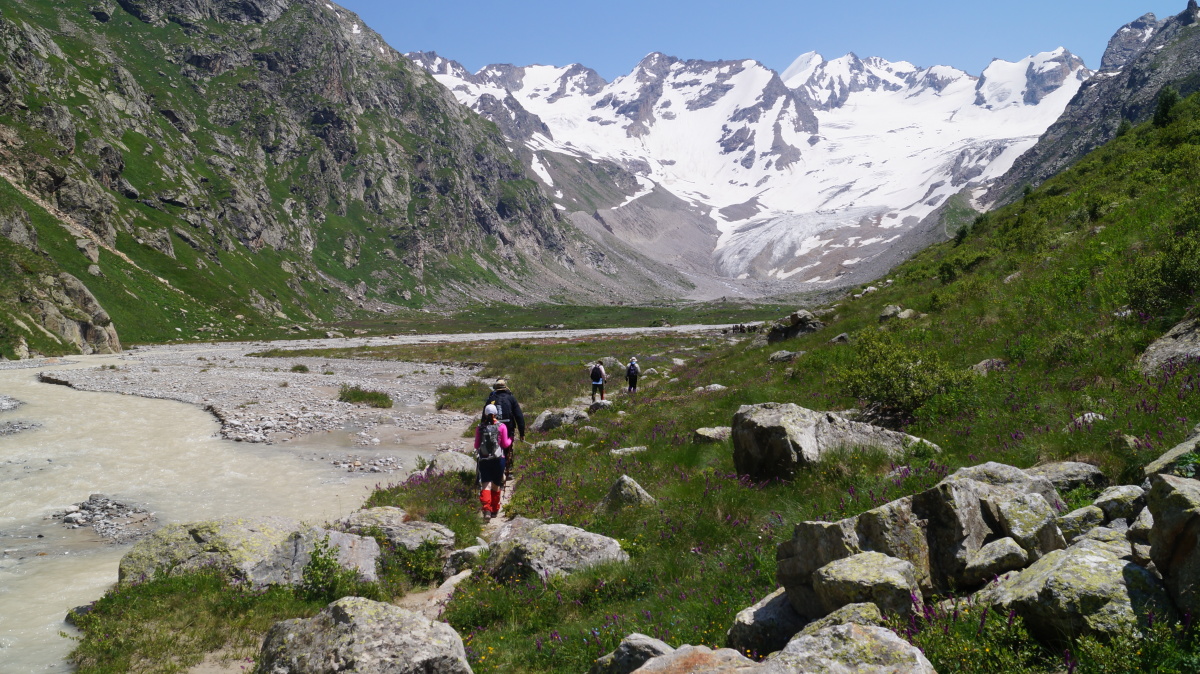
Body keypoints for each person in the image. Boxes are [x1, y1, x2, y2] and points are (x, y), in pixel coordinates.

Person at [474, 404, 511, 519]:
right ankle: (495, 509)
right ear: (496, 414)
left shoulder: (480, 427)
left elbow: (476, 445)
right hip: (498, 459)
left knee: (485, 484)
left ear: (485, 413)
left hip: (484, 459)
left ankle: (487, 510)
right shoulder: (502, 426)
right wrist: (511, 440)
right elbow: (505, 444)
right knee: (496, 484)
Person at [484, 379, 524, 482]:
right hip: (508, 427)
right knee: (507, 447)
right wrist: (522, 432)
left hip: (492, 428)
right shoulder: (511, 398)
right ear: (505, 388)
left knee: (493, 447)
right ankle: (507, 467)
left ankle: (494, 469)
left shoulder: (491, 399)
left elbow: (484, 415)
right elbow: (519, 416)